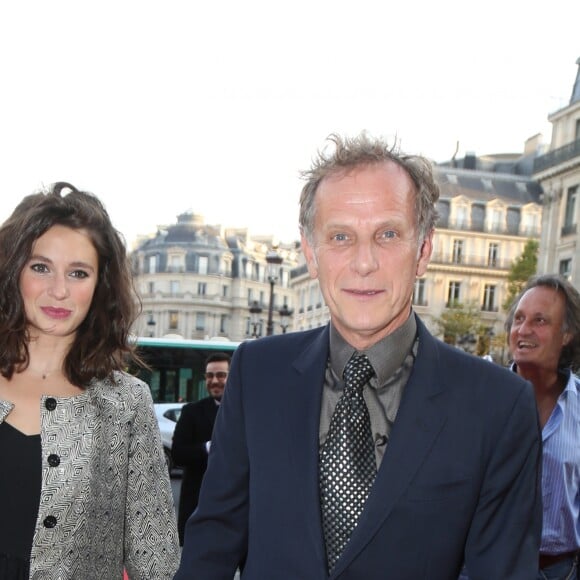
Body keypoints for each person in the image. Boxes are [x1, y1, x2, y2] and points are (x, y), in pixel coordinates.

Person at [175, 133, 542, 579]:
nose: (364, 262)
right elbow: (212, 541)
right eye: (341, 237)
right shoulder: (257, 373)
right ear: (311, 254)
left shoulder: (498, 405)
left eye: (387, 234)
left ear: (423, 250)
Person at [0, 182, 180, 579]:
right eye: (40, 267)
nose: (59, 290)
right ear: (13, 270)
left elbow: (156, 560)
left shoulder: (125, 403)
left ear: (99, 287)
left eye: (78, 273)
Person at [506, 274, 580, 580]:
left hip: (561, 570)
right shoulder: (482, 402)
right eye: (519, 318)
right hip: (491, 567)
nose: (523, 330)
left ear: (567, 335)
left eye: (540, 321)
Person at [171, 352, 231, 545]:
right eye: (209, 375)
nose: (214, 381)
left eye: (221, 375)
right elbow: (178, 454)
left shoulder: (248, 410)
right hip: (199, 509)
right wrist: (207, 447)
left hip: (238, 511)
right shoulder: (191, 412)